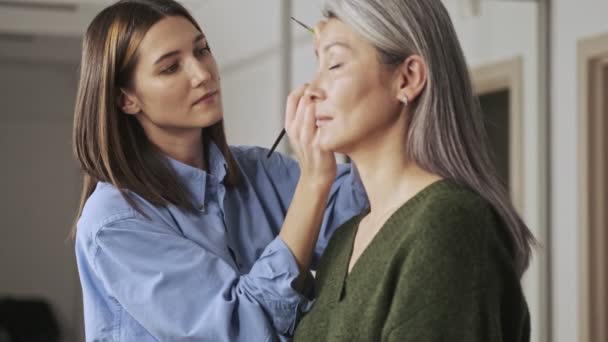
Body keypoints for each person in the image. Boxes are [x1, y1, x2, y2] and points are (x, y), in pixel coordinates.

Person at [71, 0, 367, 341]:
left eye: (202, 51)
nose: (202, 74)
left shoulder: (257, 170)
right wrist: (314, 182)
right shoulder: (115, 221)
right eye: (170, 68)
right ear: (126, 99)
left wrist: (364, 122)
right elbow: (240, 329)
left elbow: (363, 210)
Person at [293, 0, 534, 341]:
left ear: (407, 78)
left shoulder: (447, 222)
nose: (311, 90)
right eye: (317, 64)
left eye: (334, 64)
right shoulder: (344, 238)